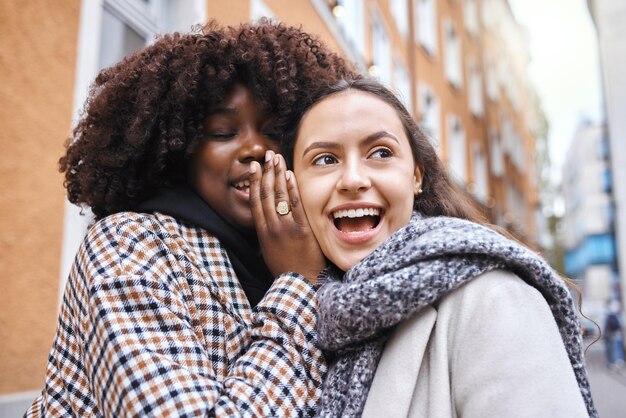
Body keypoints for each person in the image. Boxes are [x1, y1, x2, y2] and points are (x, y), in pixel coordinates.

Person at [26, 20, 354, 417]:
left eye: (275, 131)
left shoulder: (334, 254)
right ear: (180, 150)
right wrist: (298, 283)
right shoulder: (129, 244)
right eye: (222, 132)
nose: (253, 148)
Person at [250, 78, 598, 417]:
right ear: (291, 183)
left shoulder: (493, 299)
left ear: (416, 175)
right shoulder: (318, 314)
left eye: (380, 153)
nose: (353, 180)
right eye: (325, 159)